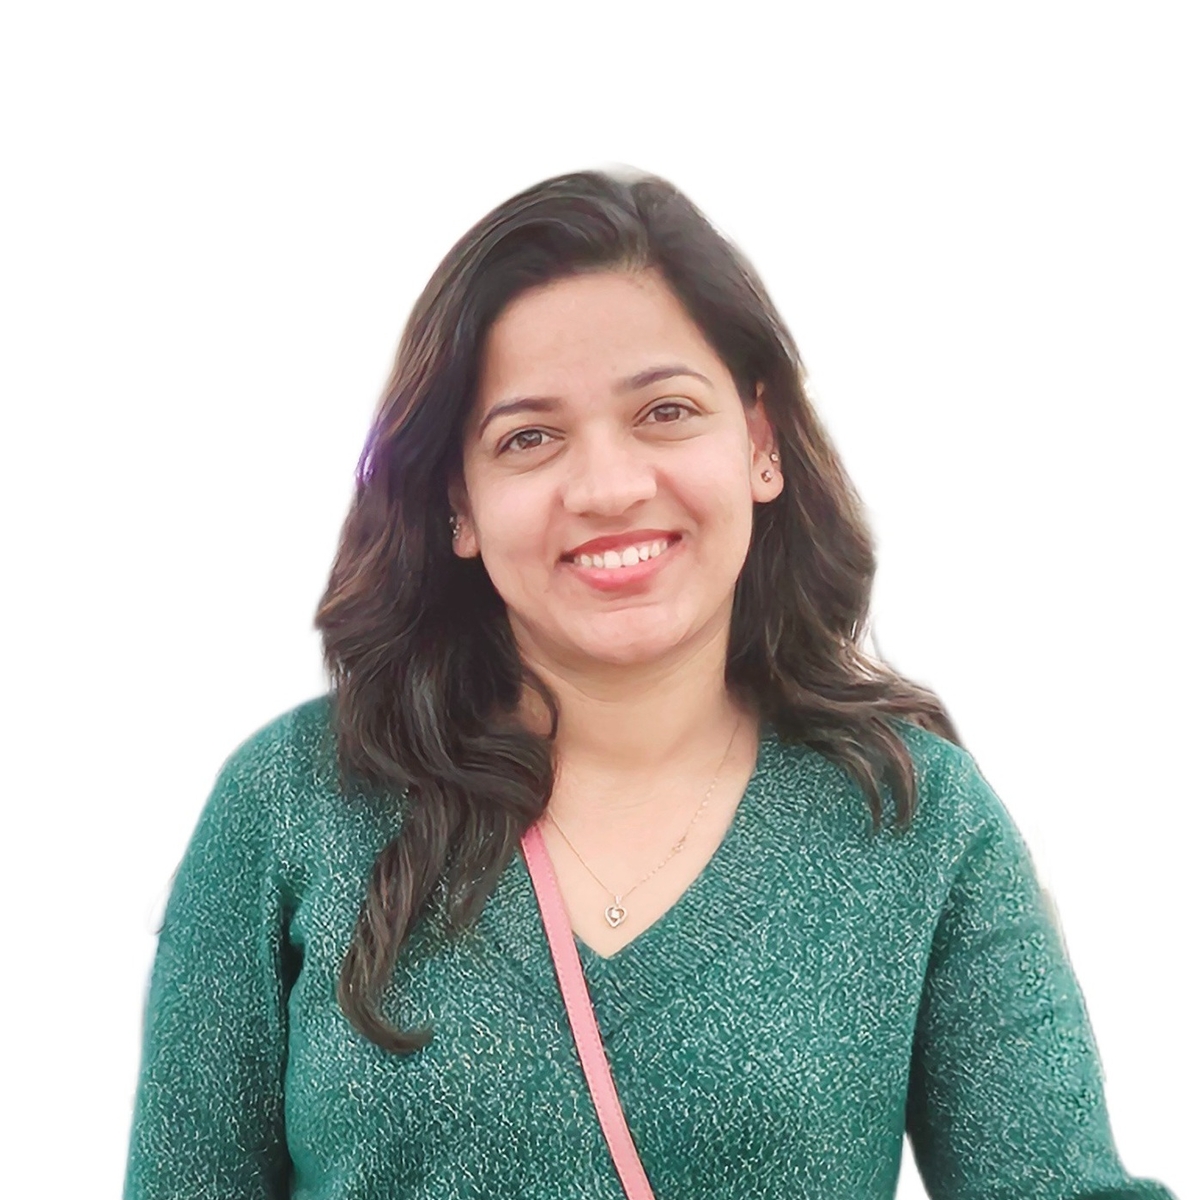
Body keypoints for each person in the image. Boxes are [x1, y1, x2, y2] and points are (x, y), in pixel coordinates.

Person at [122, 167, 1178, 1200]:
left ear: (759, 443)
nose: (609, 487)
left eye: (665, 412)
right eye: (529, 438)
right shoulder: (293, 801)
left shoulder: (913, 818)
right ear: (458, 504)